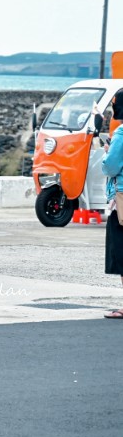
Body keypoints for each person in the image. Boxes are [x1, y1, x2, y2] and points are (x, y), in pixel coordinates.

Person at [103, 90, 123, 319]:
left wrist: (108, 153)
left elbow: (110, 167)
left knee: (121, 252)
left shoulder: (121, 133)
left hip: (121, 199)